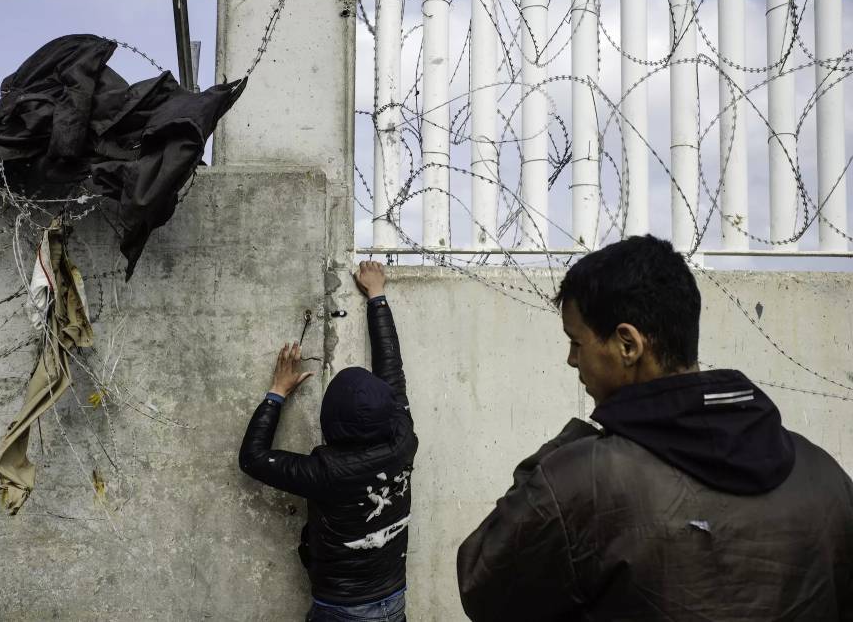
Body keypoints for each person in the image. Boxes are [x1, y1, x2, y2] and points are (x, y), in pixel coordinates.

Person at [457, 235, 853, 620]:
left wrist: (563, 449)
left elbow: (482, 584)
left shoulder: (582, 480)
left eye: (576, 343)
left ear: (627, 345)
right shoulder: (825, 476)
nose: (571, 360)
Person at [240, 261, 416, 622]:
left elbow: (253, 458)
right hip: (393, 597)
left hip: (343, 609)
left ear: (330, 422)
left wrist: (277, 392)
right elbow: (392, 373)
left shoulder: (325, 472)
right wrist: (377, 296)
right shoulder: (403, 437)